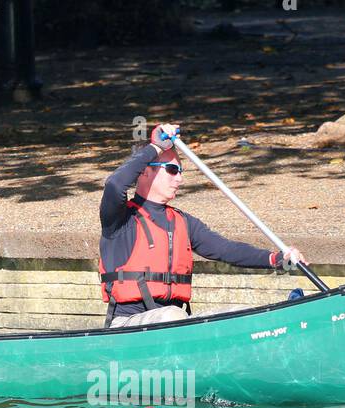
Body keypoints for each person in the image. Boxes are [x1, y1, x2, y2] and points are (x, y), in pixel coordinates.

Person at [98, 122, 306, 328]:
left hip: (179, 323)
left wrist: (277, 258)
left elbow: (226, 249)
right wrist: (156, 147)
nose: (179, 178)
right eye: (172, 170)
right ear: (144, 172)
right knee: (172, 316)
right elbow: (115, 184)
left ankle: (285, 322)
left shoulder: (183, 222)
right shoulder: (120, 218)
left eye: (181, 171)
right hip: (129, 324)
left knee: (237, 314)